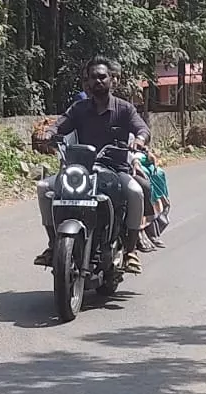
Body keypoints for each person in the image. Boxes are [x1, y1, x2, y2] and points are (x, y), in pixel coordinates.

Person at [32, 56, 151, 274]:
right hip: (81, 170)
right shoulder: (79, 109)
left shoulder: (124, 109)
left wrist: (139, 140)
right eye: (93, 77)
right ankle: (52, 244)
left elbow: (142, 129)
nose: (97, 81)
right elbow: (59, 125)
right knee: (44, 188)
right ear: (87, 82)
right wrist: (48, 133)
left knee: (135, 191)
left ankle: (131, 251)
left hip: (115, 169)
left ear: (112, 80)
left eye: (102, 77)